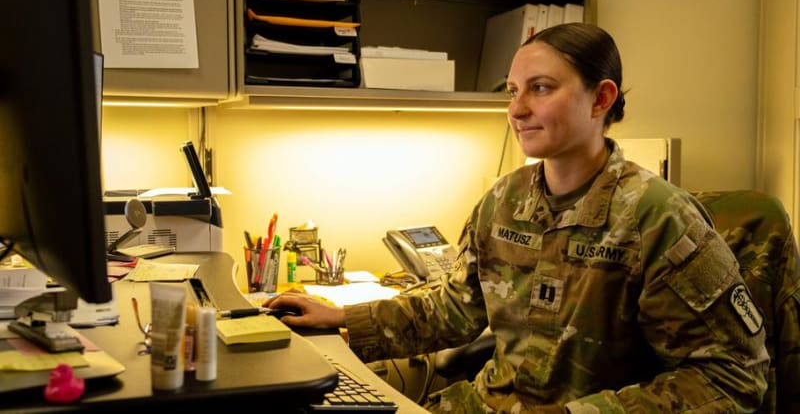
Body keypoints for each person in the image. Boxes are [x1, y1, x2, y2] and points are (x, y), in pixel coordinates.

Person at [265, 23, 769, 413]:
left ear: (601, 98)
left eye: (541, 88)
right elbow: (455, 310)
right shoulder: (503, 200)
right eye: (512, 90)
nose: (517, 109)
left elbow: (733, 377)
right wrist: (342, 318)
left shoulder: (659, 217)